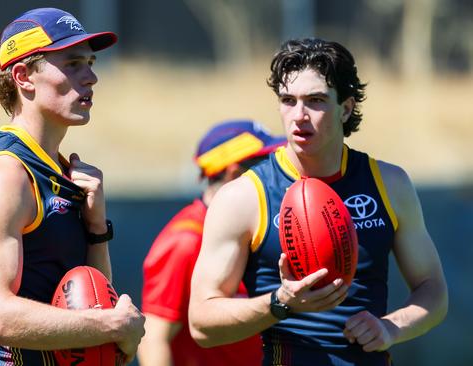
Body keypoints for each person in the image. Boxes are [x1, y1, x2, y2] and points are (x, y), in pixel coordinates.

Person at [188, 38, 448, 366]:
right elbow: (201, 323)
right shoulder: (244, 197)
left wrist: (391, 327)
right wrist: (280, 302)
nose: (299, 116)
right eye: (288, 100)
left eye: (315, 100)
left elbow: (433, 290)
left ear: (347, 107)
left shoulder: (389, 184)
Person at [0, 7, 145, 365]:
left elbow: (95, 294)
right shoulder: (4, 173)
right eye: (73, 64)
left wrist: (96, 228)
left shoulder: (63, 172)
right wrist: (111, 326)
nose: (91, 77)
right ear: (23, 76)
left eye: (90, 62)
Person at [138, 120, 286, 366]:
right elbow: (153, 339)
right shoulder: (185, 241)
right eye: (266, 165)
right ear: (235, 173)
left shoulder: (254, 230)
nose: (276, 175)